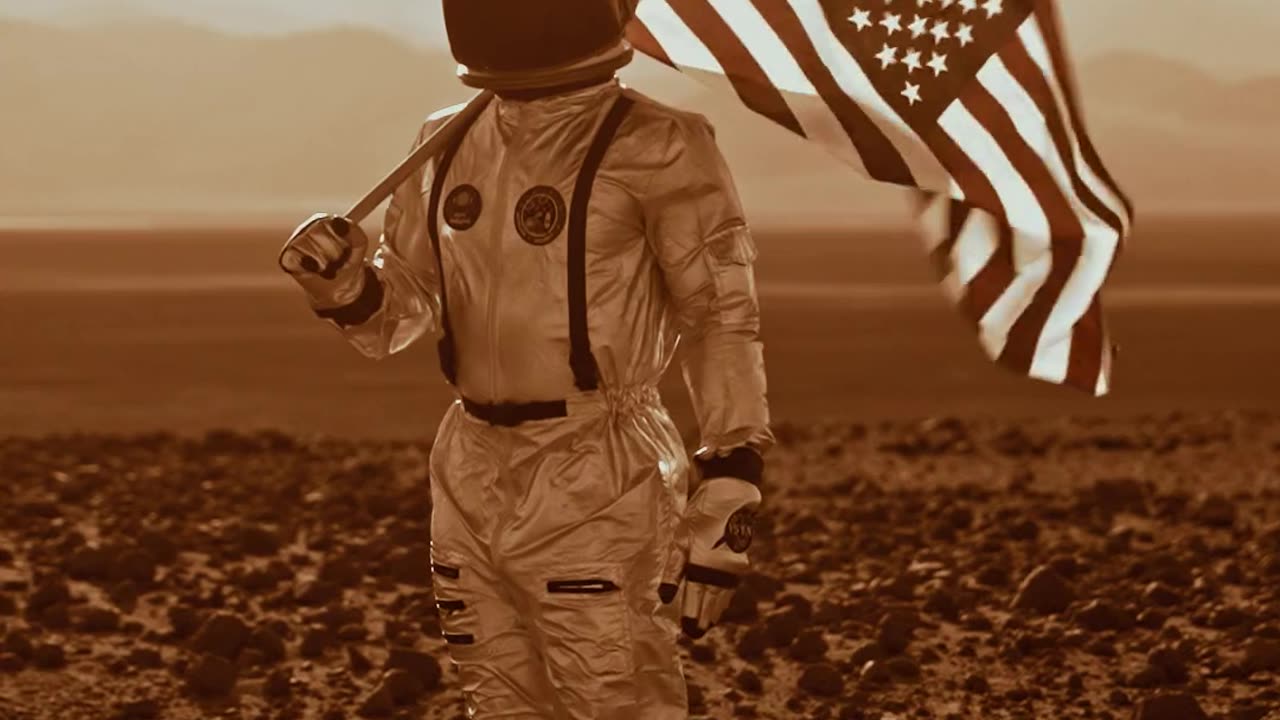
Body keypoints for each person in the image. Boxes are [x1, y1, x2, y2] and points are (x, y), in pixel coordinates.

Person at [278, 1, 772, 716]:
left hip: (598, 464)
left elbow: (721, 316)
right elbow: (403, 312)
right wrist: (344, 285)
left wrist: (731, 473)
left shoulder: (658, 144)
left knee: (613, 693)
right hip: (473, 461)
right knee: (497, 695)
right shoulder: (445, 143)